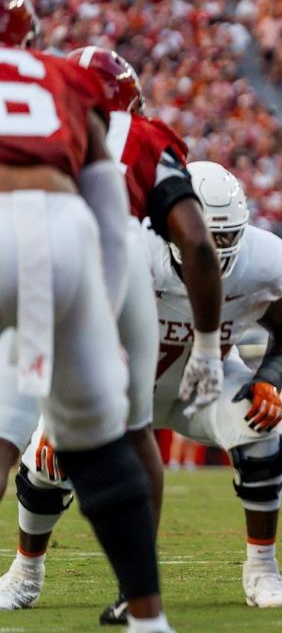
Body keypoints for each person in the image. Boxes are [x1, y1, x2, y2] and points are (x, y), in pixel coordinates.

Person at [0, 161, 282, 613]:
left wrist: (269, 378)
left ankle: (263, 569)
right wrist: (53, 419)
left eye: (228, 236)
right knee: (48, 462)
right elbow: (73, 322)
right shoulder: (135, 251)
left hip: (201, 390)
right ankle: (26, 573)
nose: (217, 248)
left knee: (260, 429)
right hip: (125, 393)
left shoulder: (264, 261)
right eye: (210, 235)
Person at [0, 44, 225, 624]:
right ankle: (145, 609)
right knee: (125, 434)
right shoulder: (130, 125)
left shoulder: (56, 87)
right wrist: (204, 345)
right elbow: (194, 241)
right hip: (109, 248)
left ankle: (26, 570)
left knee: (6, 431)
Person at [0, 0, 171, 633]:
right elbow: (104, 192)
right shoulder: (63, 79)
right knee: (99, 443)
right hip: (60, 235)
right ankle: (150, 619)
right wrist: (97, 301)